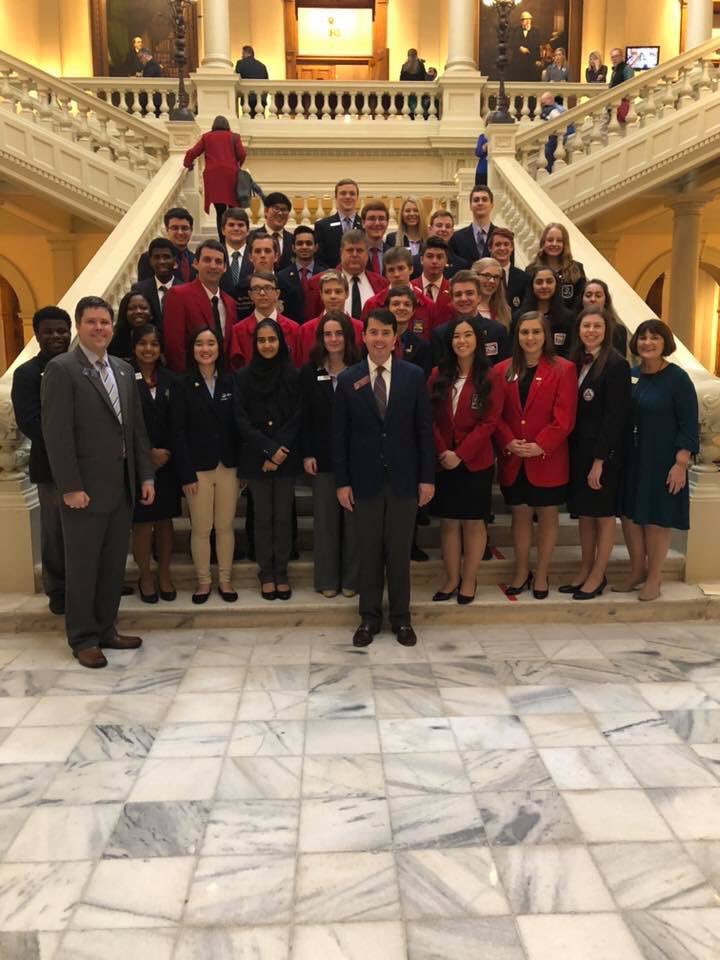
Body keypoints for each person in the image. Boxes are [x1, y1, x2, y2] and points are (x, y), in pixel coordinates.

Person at [41, 296, 154, 668]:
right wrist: (70, 486)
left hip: (120, 487)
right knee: (83, 566)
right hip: (83, 492)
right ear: (79, 326)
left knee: (110, 567)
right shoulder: (63, 369)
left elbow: (135, 430)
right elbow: (57, 435)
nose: (100, 328)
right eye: (92, 322)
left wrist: (145, 475)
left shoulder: (122, 369)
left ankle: (106, 628)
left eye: (105, 322)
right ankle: (83, 637)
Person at [334, 308, 435, 647]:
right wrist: (342, 482)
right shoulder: (349, 380)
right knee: (369, 552)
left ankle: (402, 619)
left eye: (385, 333)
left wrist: (427, 478)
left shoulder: (413, 375)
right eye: (372, 332)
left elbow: (424, 431)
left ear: (395, 338)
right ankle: (368, 617)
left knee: (399, 552)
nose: (379, 339)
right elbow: (342, 436)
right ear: (363, 337)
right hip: (364, 482)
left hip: (405, 480)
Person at [494, 311, 577, 599]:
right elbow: (496, 415)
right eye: (524, 332)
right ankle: (520, 571)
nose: (530, 338)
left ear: (546, 336)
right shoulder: (502, 369)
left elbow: (564, 418)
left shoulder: (563, 369)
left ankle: (541, 573)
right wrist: (508, 441)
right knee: (519, 516)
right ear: (516, 336)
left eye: (536, 332)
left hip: (547, 458)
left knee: (547, 516)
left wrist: (541, 444)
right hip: (514, 458)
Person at [618, 319, 698, 601]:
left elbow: (689, 424)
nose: (647, 343)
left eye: (654, 338)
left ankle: (654, 577)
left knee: (655, 519)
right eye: (642, 338)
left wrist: (680, 463)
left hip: (663, 460)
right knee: (629, 517)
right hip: (633, 457)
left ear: (665, 343)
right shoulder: (632, 374)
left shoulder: (678, 379)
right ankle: (637, 570)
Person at [429, 317, 503, 603]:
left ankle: (469, 580)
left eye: (467, 335)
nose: (462, 341)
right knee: (448, 523)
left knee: (473, 523)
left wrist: (460, 454)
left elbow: (490, 422)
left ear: (477, 340)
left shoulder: (491, 375)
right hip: (444, 461)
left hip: (475, 462)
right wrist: (443, 452)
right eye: (456, 336)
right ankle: (450, 579)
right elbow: (429, 417)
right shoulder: (438, 374)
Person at [563, 308, 631, 599]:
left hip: (603, 454)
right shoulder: (576, 361)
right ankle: (585, 568)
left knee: (602, 515)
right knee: (585, 515)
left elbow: (616, 417)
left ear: (607, 330)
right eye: (586, 325)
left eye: (597, 326)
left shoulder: (616, 364)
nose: (591, 330)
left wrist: (600, 461)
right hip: (578, 449)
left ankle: (598, 574)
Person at [170, 326, 238, 604]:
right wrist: (185, 473)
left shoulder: (231, 382)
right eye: (199, 343)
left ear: (219, 348)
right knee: (201, 528)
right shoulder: (181, 384)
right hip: (197, 469)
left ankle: (225, 580)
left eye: (211, 343)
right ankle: (203, 582)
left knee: (225, 526)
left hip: (228, 467)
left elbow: (238, 426)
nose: (206, 349)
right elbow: (177, 432)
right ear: (192, 349)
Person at [11, 306, 72, 615]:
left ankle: (88, 583)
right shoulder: (26, 374)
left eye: (62, 330)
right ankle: (58, 589)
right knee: (55, 532)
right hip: (50, 466)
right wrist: (67, 446)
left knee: (85, 529)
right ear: (37, 335)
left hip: (87, 465)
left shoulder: (80, 367)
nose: (56, 336)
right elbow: (29, 422)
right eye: (49, 331)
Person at [235, 319, 301, 600]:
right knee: (262, 517)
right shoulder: (243, 377)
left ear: (280, 342)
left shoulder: (293, 375)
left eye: (271, 340)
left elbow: (298, 416)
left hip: (285, 459)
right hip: (256, 458)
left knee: (283, 516)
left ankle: (281, 569)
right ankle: (266, 570)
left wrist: (278, 452)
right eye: (261, 340)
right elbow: (241, 420)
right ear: (255, 344)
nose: (267, 345)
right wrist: (267, 450)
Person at [300, 310, 361, 597]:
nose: (333, 339)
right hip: (322, 457)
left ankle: (351, 579)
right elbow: (305, 416)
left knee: (354, 521)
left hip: (355, 457)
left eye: (339, 333)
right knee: (325, 521)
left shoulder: (361, 369)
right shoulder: (310, 371)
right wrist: (307, 452)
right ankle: (326, 580)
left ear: (347, 336)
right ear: (320, 338)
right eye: (328, 334)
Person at [130, 324, 180, 603]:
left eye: (154, 344)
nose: (148, 349)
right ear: (134, 346)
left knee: (164, 521)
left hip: (168, 462)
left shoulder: (172, 380)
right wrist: (146, 453)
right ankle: (145, 575)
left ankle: (163, 574)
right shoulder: (124, 378)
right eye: (143, 343)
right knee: (141, 523)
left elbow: (179, 423)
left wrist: (167, 452)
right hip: (138, 463)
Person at [163, 240, 237, 372]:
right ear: (195, 264)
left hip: (224, 380)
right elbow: (174, 346)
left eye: (219, 261)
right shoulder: (178, 295)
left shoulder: (230, 303)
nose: (213, 266)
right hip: (190, 380)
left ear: (225, 267)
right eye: (207, 260)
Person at [183, 116, 247, 241]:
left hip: (214, 176)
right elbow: (242, 154)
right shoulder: (234, 137)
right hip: (231, 175)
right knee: (233, 209)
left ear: (214, 126)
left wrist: (187, 163)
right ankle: (234, 237)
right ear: (227, 125)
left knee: (220, 211)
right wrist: (237, 165)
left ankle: (222, 240)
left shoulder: (207, 137)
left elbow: (193, 152)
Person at [432, 270, 510, 368]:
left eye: (469, 293)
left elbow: (504, 372)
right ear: (451, 299)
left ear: (479, 298)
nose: (463, 298)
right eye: (458, 294)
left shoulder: (497, 331)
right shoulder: (440, 334)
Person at [304, 230, 388, 321]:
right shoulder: (316, 283)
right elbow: (311, 322)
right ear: (341, 252)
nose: (355, 255)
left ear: (367, 254)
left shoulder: (382, 284)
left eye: (359, 250)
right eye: (350, 250)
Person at [229, 271, 301, 369]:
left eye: (267, 288)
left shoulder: (294, 329)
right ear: (250, 295)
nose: (262, 293)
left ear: (277, 294)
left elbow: (298, 365)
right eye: (256, 289)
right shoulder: (238, 331)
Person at [361, 247, 435, 339]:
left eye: (401, 268)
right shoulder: (373, 304)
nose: (396, 274)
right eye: (391, 270)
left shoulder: (427, 305)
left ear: (411, 269)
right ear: (385, 273)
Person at [298, 270, 363, 365]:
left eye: (338, 291)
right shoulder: (306, 330)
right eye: (328, 292)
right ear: (321, 294)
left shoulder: (360, 328)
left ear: (347, 293)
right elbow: (302, 364)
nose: (333, 296)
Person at [513, 266, 575, 359]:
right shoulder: (519, 317)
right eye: (539, 282)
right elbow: (514, 350)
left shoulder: (569, 317)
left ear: (556, 285)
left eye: (549, 281)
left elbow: (570, 351)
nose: (544, 286)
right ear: (531, 286)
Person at [528, 223, 586, 313]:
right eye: (550, 240)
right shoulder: (531, 270)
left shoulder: (577, 269)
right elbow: (529, 302)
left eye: (559, 240)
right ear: (543, 243)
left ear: (565, 244)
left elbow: (580, 303)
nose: (554, 244)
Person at [277, 225, 328, 325]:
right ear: (293, 248)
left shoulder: (325, 275)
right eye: (300, 243)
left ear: (316, 247)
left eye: (308, 243)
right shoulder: (281, 276)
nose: (304, 247)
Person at [137, 208, 195, 284]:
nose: (180, 232)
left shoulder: (196, 259)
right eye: (175, 228)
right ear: (167, 230)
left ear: (191, 230)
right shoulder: (150, 258)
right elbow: (144, 290)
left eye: (184, 228)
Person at [314, 179, 362, 268]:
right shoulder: (322, 226)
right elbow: (318, 260)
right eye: (343, 193)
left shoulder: (365, 225)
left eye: (352, 193)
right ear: (336, 197)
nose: (348, 197)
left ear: (357, 197)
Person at [131, 237, 180, 327]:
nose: (162, 261)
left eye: (166, 257)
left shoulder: (185, 288)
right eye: (157, 257)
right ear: (150, 261)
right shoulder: (139, 289)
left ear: (174, 260)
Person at [411, 237, 455, 328]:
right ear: (421, 260)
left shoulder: (453, 290)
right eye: (430, 256)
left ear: (446, 261)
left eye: (440, 257)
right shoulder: (410, 288)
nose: (434, 261)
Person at [449, 186, 499, 265]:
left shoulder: (501, 236)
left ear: (492, 205)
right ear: (470, 206)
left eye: (484, 199)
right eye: (476, 200)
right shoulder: (457, 238)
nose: (480, 203)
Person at [581, 279, 628, 356]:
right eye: (588, 295)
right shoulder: (571, 324)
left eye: (598, 296)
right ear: (582, 299)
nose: (593, 299)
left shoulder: (618, 330)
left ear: (606, 300)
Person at [251, 192, 294, 270]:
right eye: (276, 209)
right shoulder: (251, 237)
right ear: (266, 211)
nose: (280, 213)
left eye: (284, 210)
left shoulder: (293, 240)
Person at [488, 228, 527, 310]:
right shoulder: (482, 275)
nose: (502, 248)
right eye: (498, 244)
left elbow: (525, 308)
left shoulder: (525, 278)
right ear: (490, 248)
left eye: (506, 244)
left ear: (512, 247)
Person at [219, 206, 252, 305]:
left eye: (241, 225)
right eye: (231, 225)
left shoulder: (256, 254)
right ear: (223, 230)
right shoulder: (215, 254)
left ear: (248, 230)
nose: (236, 228)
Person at [109, 291, 154, 362]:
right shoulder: (112, 340)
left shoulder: (161, 337)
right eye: (131, 308)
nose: (138, 311)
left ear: (151, 312)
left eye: (143, 308)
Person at [470, 257, 512, 331]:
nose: (492, 281)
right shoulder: (463, 307)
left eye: (496, 277)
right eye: (487, 275)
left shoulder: (504, 311)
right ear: (474, 275)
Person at [537, 92, 574, 173]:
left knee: (548, 154)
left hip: (557, 135)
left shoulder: (552, 110)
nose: (542, 104)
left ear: (549, 100)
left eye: (543, 102)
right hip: (559, 134)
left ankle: (548, 172)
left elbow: (560, 121)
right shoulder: (557, 108)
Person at [509, 10, 541, 82]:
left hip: (531, 61)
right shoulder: (515, 30)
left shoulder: (535, 31)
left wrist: (538, 59)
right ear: (521, 21)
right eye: (526, 20)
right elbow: (511, 44)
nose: (528, 22)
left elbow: (537, 45)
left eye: (529, 20)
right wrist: (519, 48)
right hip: (518, 62)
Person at [361, 201, 391, 275]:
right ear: (363, 223)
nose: (377, 223)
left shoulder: (393, 254)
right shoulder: (355, 253)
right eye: (371, 218)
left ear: (387, 223)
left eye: (381, 219)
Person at [609, 47, 634, 123]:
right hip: (613, 101)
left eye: (616, 56)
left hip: (621, 102)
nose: (614, 59)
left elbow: (629, 85)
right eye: (612, 57)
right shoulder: (614, 70)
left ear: (622, 57)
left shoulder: (627, 68)